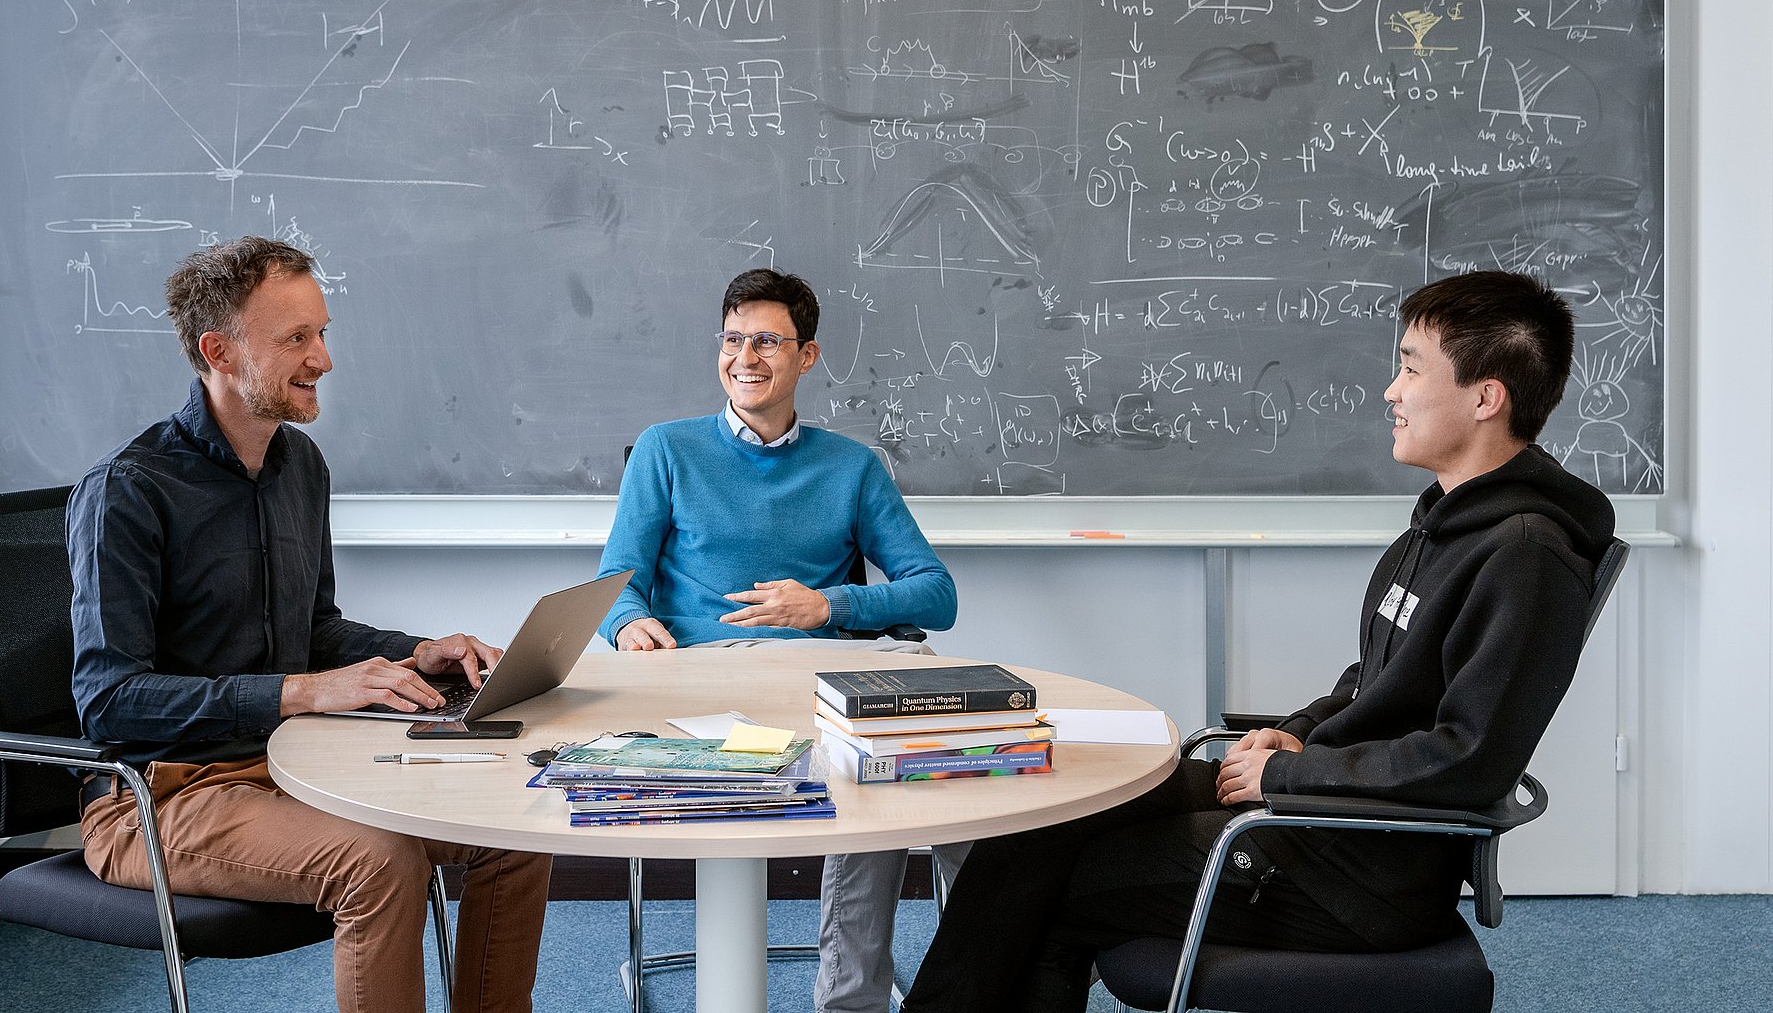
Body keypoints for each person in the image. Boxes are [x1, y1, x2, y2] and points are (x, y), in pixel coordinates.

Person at [900, 269, 1617, 1012]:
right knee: (1049, 822)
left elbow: (1469, 757)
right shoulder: (1445, 519)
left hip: (1358, 873)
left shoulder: (1526, 556)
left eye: (1409, 367)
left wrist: (1288, 778)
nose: (1390, 391)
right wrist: (1295, 734)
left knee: (1055, 886)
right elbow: (1372, 680)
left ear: (1485, 396)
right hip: (1323, 818)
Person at [69, 237, 551, 1013]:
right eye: (296, 338)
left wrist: (418, 653)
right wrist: (300, 692)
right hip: (159, 797)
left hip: (290, 769)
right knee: (380, 862)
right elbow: (108, 700)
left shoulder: (300, 467)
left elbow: (317, 631)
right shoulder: (126, 491)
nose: (323, 358)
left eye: (322, 333)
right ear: (219, 350)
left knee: (512, 833)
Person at [597, 266, 966, 1013]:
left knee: (944, 778)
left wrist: (824, 604)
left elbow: (937, 594)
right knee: (868, 763)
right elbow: (617, 583)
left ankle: (891, 992)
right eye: (733, 340)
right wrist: (630, 622)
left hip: (830, 678)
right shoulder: (666, 450)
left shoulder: (853, 466)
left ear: (808, 356)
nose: (746, 358)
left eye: (767, 341)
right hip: (706, 678)